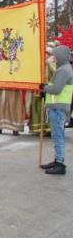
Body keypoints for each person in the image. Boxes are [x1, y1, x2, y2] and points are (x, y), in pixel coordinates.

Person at [40, 45, 73, 175]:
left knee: (58, 136)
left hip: (58, 108)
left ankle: (60, 164)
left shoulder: (63, 70)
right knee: (56, 135)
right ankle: (57, 160)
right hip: (57, 106)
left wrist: (44, 88)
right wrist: (47, 88)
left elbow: (56, 89)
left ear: (60, 56)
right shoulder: (64, 68)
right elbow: (56, 86)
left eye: (54, 55)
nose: (52, 57)